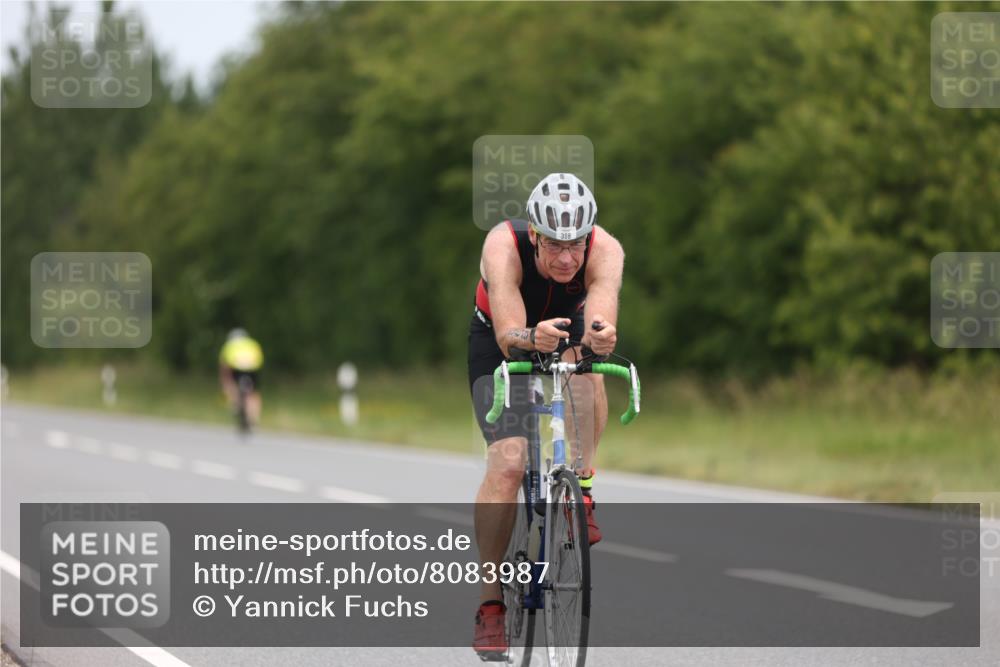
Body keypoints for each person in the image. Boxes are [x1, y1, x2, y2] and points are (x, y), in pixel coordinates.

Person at [468, 173, 624, 657]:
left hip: (564, 330)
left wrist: (599, 336)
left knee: (588, 372)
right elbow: (509, 331)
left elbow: (599, 314)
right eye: (554, 245)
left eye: (575, 246)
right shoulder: (503, 244)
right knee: (510, 462)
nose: (565, 258)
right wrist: (529, 337)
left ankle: (584, 485)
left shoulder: (606, 250)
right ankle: (491, 604)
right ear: (534, 235)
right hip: (502, 338)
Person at [218, 328, 264, 427]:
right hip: (252, 369)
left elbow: (224, 365)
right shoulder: (252, 343)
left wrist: (224, 381)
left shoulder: (230, 345)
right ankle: (254, 417)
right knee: (254, 393)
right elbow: (260, 359)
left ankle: (234, 405)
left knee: (230, 384)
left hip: (237, 369)